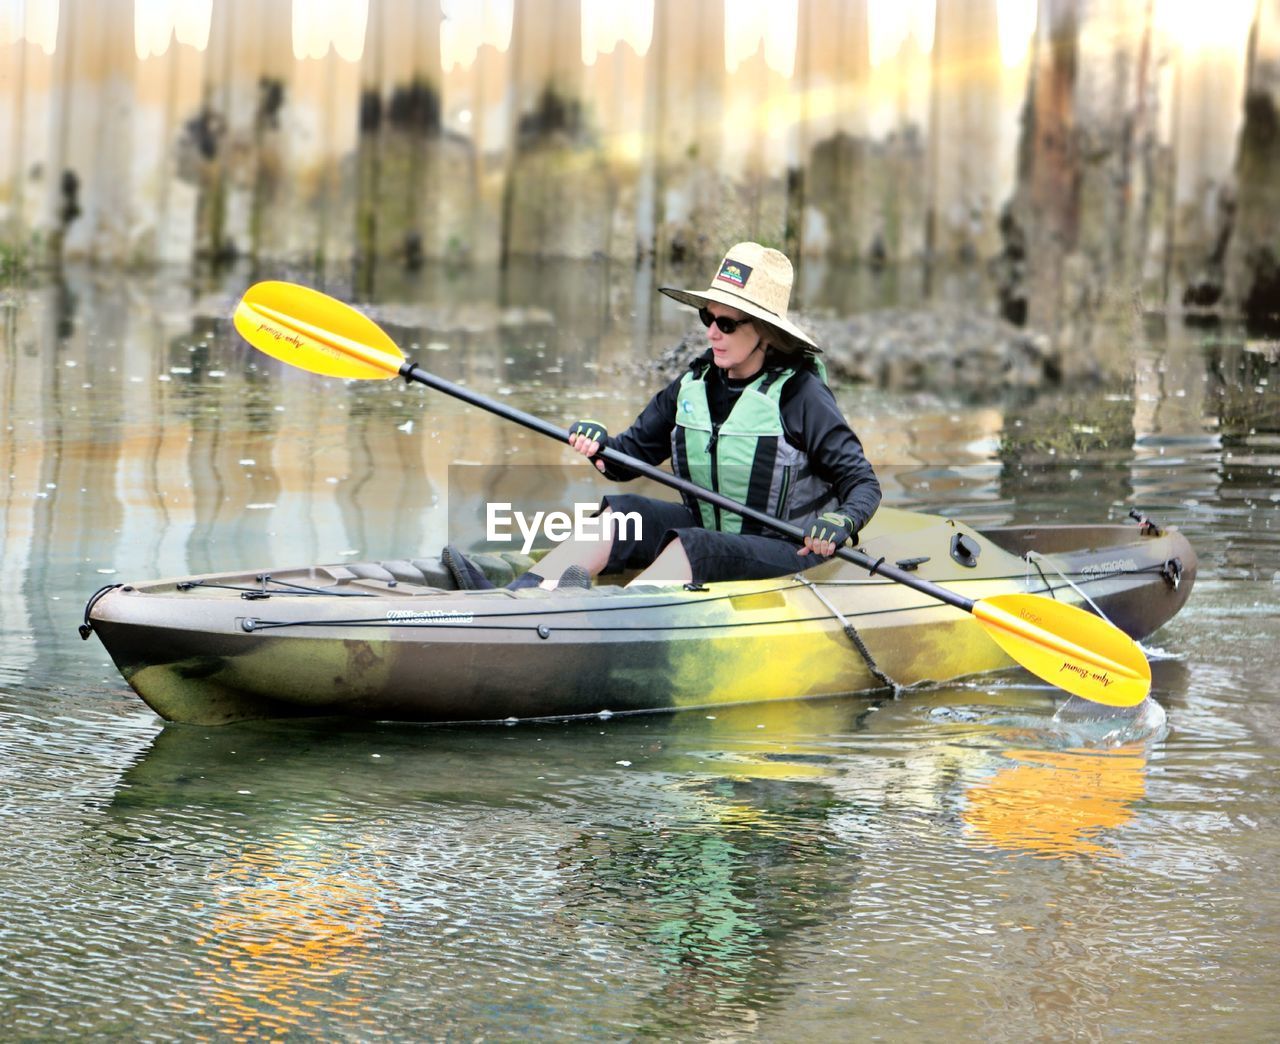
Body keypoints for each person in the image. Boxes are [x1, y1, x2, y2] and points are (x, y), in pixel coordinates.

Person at [444, 241, 881, 591]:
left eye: (727, 324)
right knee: (623, 513)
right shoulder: (694, 385)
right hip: (711, 529)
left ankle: (601, 620)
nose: (712, 331)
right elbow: (625, 459)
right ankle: (521, 595)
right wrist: (598, 443)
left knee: (697, 547)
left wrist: (841, 521)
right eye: (708, 316)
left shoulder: (802, 395)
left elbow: (862, 483)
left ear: (764, 333)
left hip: (786, 547)